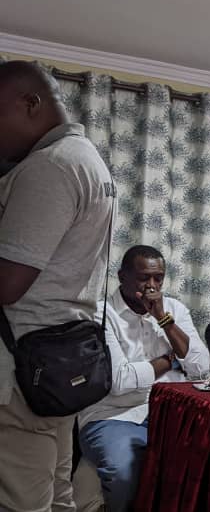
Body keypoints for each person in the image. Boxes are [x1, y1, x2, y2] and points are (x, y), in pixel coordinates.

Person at [0, 60, 114, 511]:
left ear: (31, 103)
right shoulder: (85, 158)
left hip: (19, 366)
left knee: (20, 501)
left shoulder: (49, 167)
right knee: (59, 493)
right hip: (56, 358)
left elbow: (8, 283)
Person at [78, 245, 210, 512]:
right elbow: (120, 381)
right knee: (123, 473)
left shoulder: (173, 309)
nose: (152, 286)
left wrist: (163, 319)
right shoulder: (101, 314)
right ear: (122, 277)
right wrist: (171, 360)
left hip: (172, 412)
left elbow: (201, 368)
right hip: (114, 415)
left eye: (158, 278)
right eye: (143, 278)